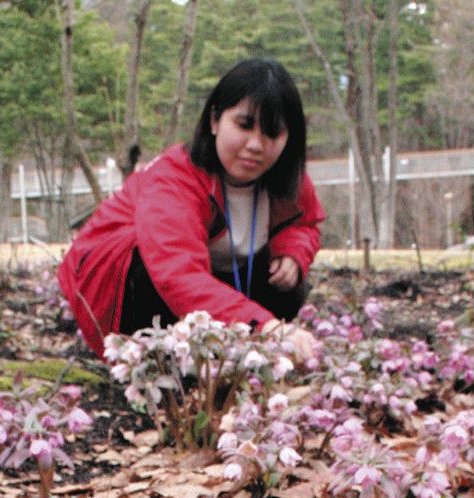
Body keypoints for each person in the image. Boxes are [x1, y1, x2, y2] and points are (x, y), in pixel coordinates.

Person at [58, 58, 324, 358]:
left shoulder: (289, 178)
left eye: (272, 133)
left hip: (210, 273)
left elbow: (304, 223)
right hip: (120, 279)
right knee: (148, 273)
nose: (256, 145)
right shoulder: (174, 178)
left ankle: (236, 360)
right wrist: (266, 327)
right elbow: (177, 273)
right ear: (214, 120)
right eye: (244, 125)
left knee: (287, 285)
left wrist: (293, 252)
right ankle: (155, 360)